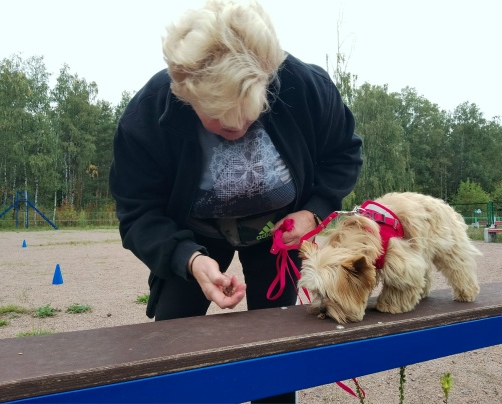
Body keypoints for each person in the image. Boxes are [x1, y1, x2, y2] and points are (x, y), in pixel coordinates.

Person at [109, 1, 362, 402]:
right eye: (220, 119)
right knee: (171, 346)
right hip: (190, 235)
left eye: (249, 113)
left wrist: (313, 211)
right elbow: (138, 213)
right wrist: (189, 259)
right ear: (186, 94)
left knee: (275, 348)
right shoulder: (147, 117)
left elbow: (343, 154)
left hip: (279, 234)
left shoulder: (304, 87)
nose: (238, 127)